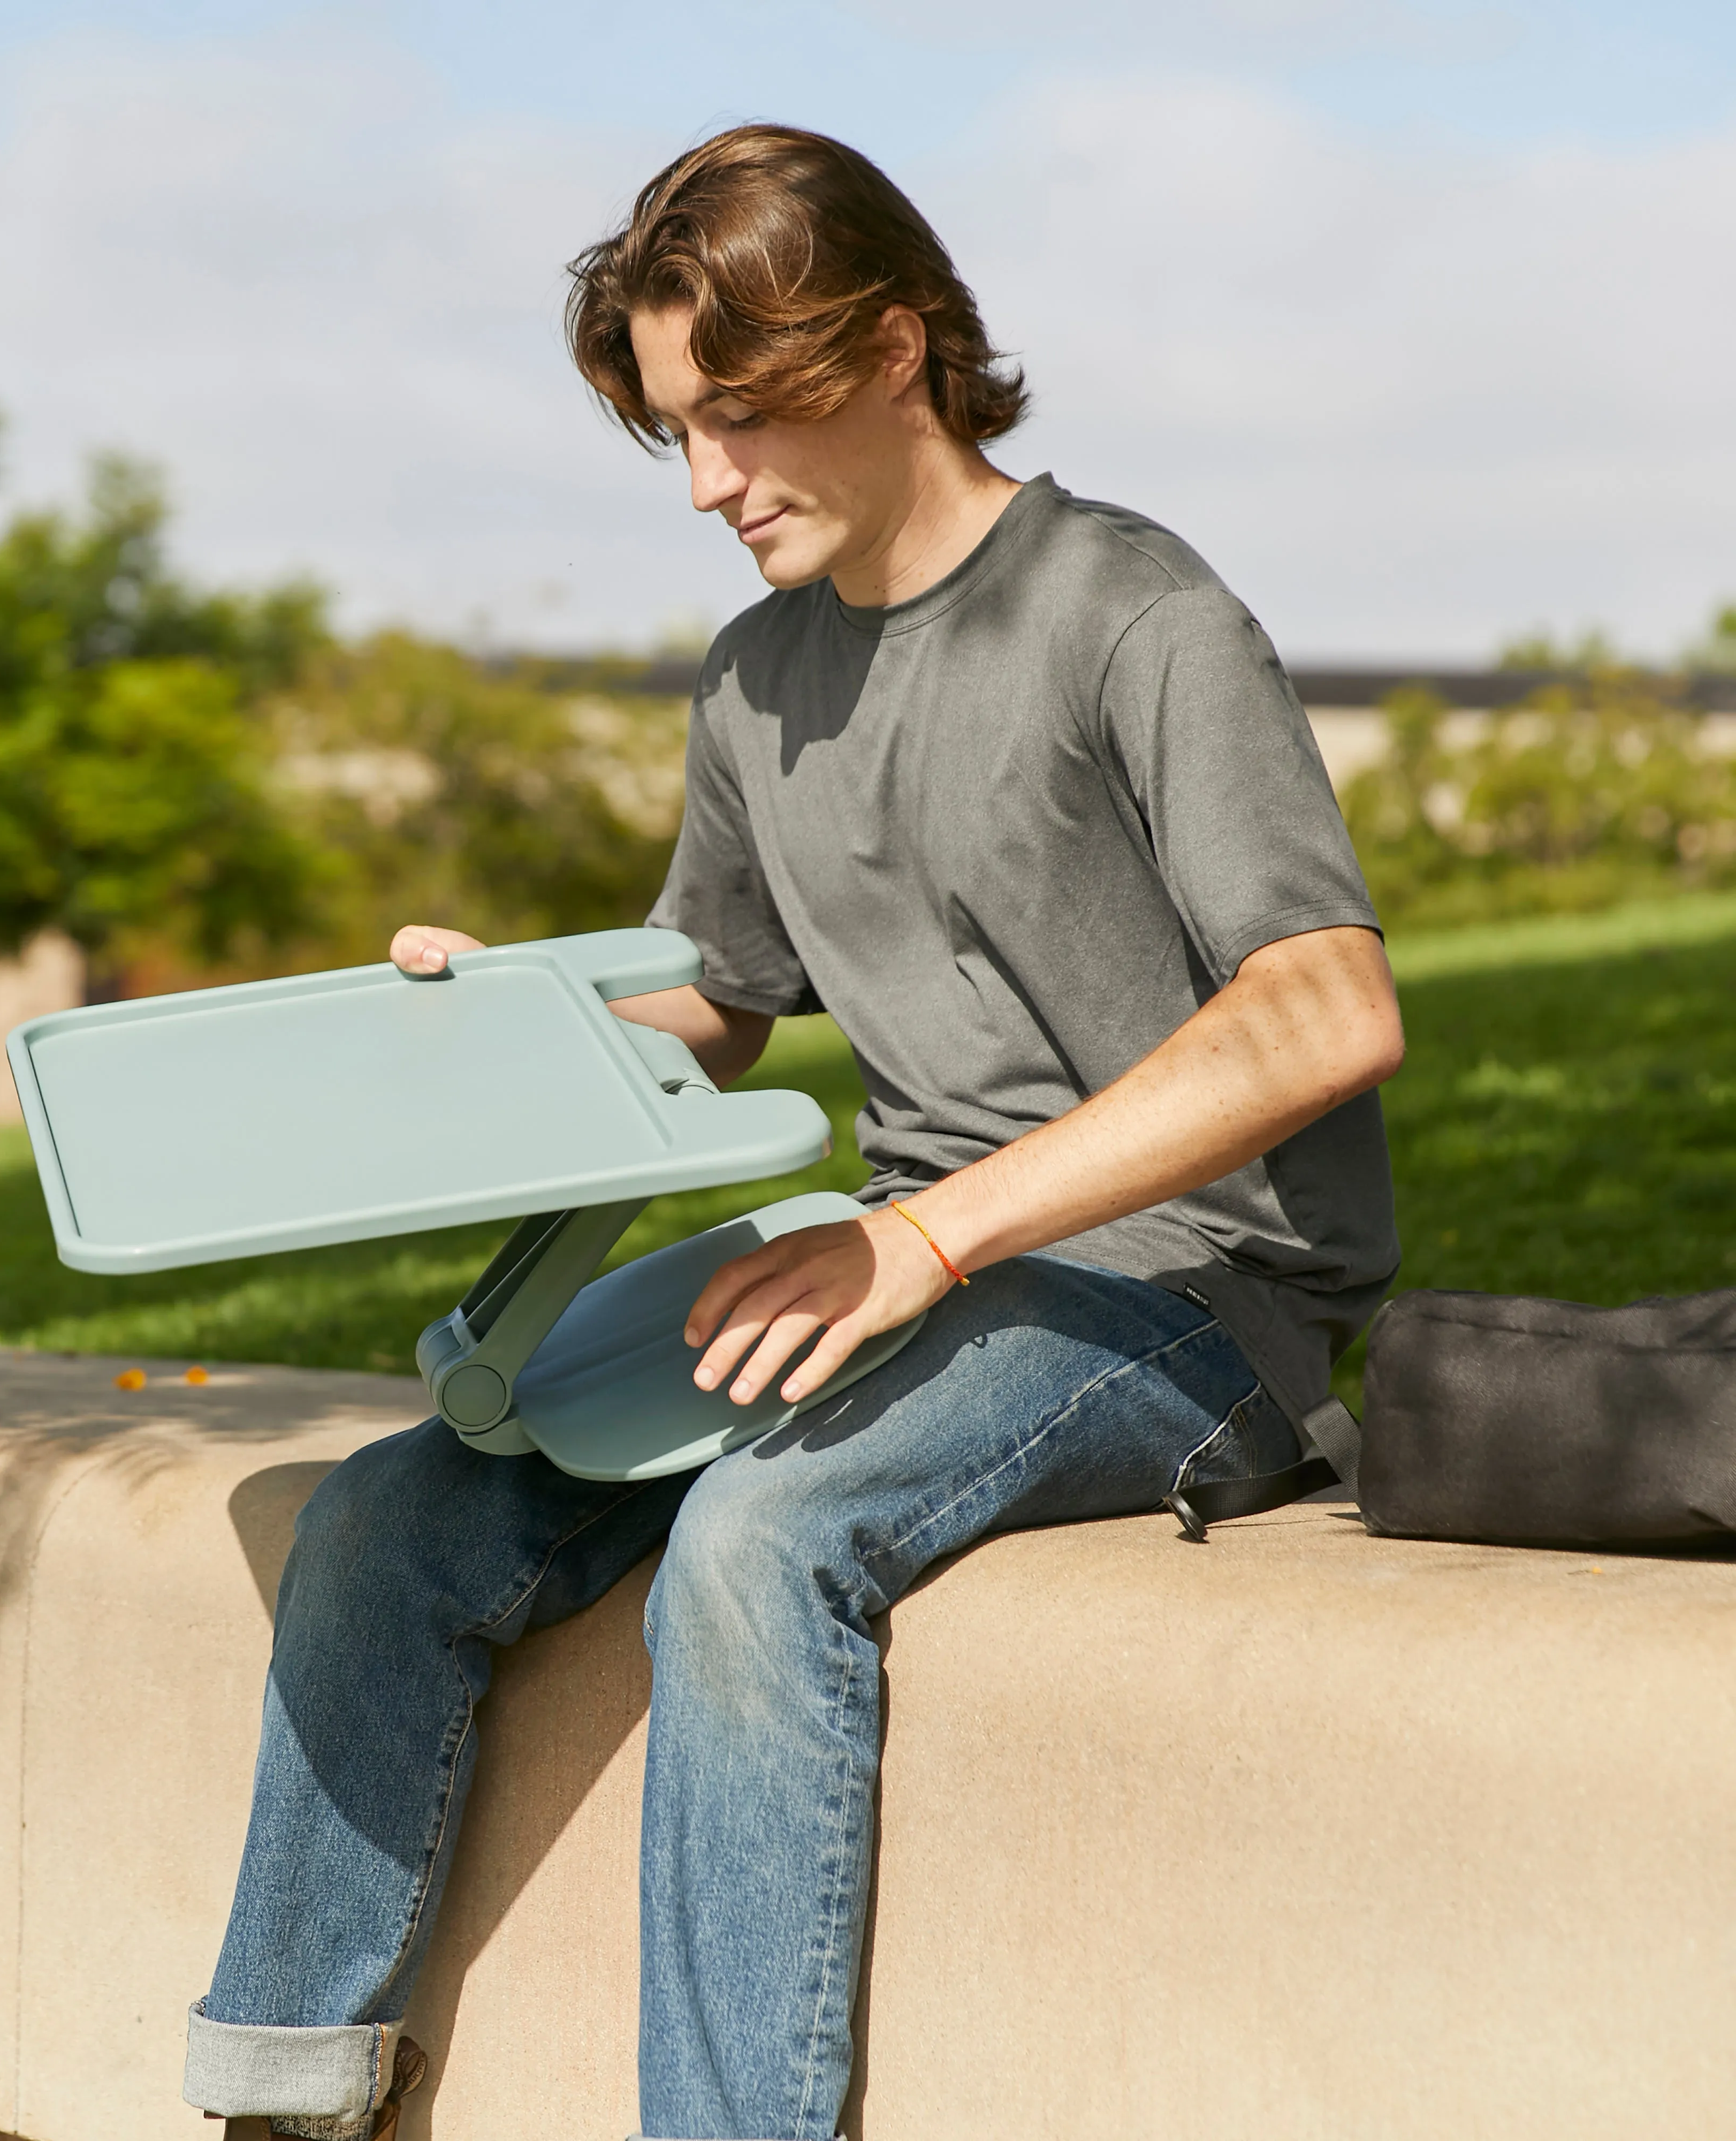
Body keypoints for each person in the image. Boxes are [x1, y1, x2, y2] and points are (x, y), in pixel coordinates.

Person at [181, 124, 1402, 2141]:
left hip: (1201, 1294)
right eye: (676, 429)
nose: (709, 483)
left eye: (742, 416)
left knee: (756, 1545)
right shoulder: (760, 679)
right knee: (390, 1522)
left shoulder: (1134, 609)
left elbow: (1324, 1006)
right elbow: (721, 1001)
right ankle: (277, 2097)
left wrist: (925, 1243)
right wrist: (501, 1021)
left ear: (902, 346)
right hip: (910, 1249)